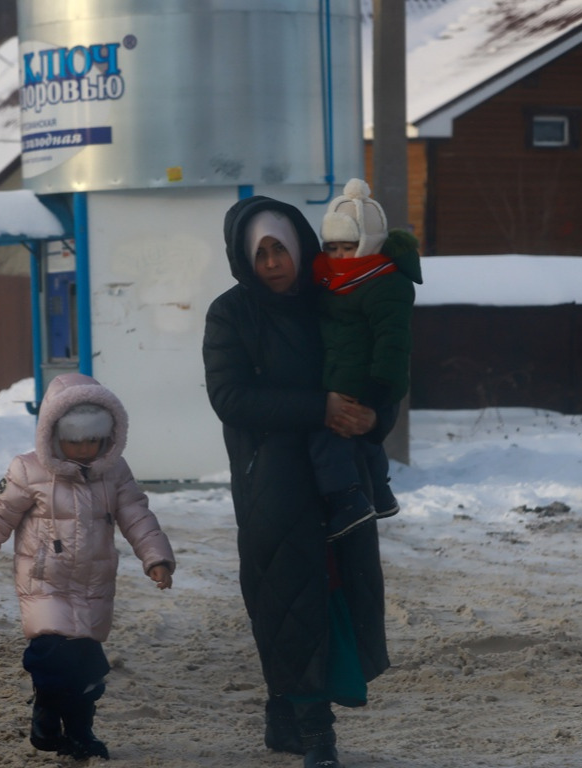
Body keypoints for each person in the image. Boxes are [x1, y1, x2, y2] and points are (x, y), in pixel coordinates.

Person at [202, 195, 393, 768]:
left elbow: (376, 370)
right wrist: (319, 408)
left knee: (335, 593)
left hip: (338, 477)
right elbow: (229, 397)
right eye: (258, 253)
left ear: (298, 246)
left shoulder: (331, 299)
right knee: (284, 597)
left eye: (278, 249)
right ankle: (316, 734)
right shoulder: (230, 313)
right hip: (271, 480)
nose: (270, 263)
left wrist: (374, 417)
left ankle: (285, 714)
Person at [0, 372, 175, 760]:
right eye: (75, 440)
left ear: (109, 435)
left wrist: (156, 557)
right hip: (45, 582)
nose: (85, 449)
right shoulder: (28, 470)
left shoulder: (114, 472)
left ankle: (79, 732)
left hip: (94, 586)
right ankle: (46, 708)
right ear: (53, 434)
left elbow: (137, 516)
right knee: (51, 654)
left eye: (94, 440)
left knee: (88, 669)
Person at [310, 178, 422, 539]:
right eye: (332, 247)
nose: (340, 256)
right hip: (339, 373)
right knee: (359, 444)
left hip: (360, 381)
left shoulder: (385, 283)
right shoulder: (329, 280)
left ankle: (348, 503)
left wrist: (377, 393)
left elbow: (393, 344)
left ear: (369, 243)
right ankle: (381, 494)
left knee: (329, 441)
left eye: (348, 247)